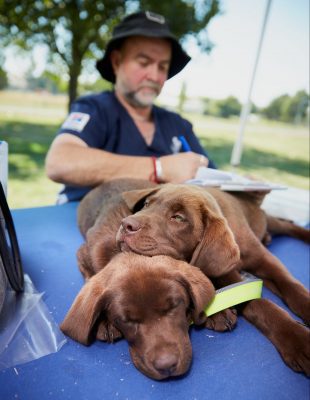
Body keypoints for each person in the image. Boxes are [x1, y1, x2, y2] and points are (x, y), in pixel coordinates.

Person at [45, 10, 216, 203]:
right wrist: (158, 168)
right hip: (84, 224)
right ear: (117, 62)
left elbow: (214, 180)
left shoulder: (177, 124)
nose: (154, 76)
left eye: (162, 67)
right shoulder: (95, 108)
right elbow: (60, 162)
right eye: (144, 62)